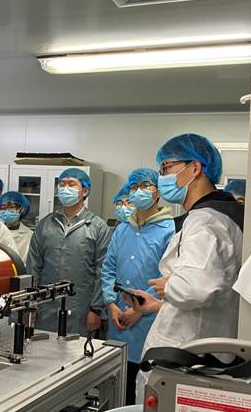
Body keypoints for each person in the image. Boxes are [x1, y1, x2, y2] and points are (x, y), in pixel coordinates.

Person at [128, 133, 244, 403]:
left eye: (166, 167)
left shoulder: (204, 223)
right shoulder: (220, 216)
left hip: (186, 358)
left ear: (194, 168)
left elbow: (194, 290)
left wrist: (168, 285)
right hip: (202, 348)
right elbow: (214, 290)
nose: (162, 177)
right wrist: (158, 305)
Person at [101, 168, 175, 405]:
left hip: (148, 321)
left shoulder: (170, 230)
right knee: (116, 387)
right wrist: (111, 304)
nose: (138, 191)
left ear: (158, 192)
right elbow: (108, 268)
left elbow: (167, 276)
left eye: (145, 186)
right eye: (133, 187)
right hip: (118, 319)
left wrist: (138, 309)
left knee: (144, 389)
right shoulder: (122, 229)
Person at [27, 168, 111, 336]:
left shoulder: (97, 226)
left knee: (76, 350)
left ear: (85, 191)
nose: (65, 188)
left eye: (71, 184)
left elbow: (102, 270)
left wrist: (96, 309)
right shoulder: (45, 224)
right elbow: (33, 266)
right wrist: (30, 303)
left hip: (81, 308)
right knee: (44, 348)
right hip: (45, 306)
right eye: (62, 184)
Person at [0, 191, 33, 262]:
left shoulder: (29, 235)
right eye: (3, 207)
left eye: (12, 207)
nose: (7, 211)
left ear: (22, 210)